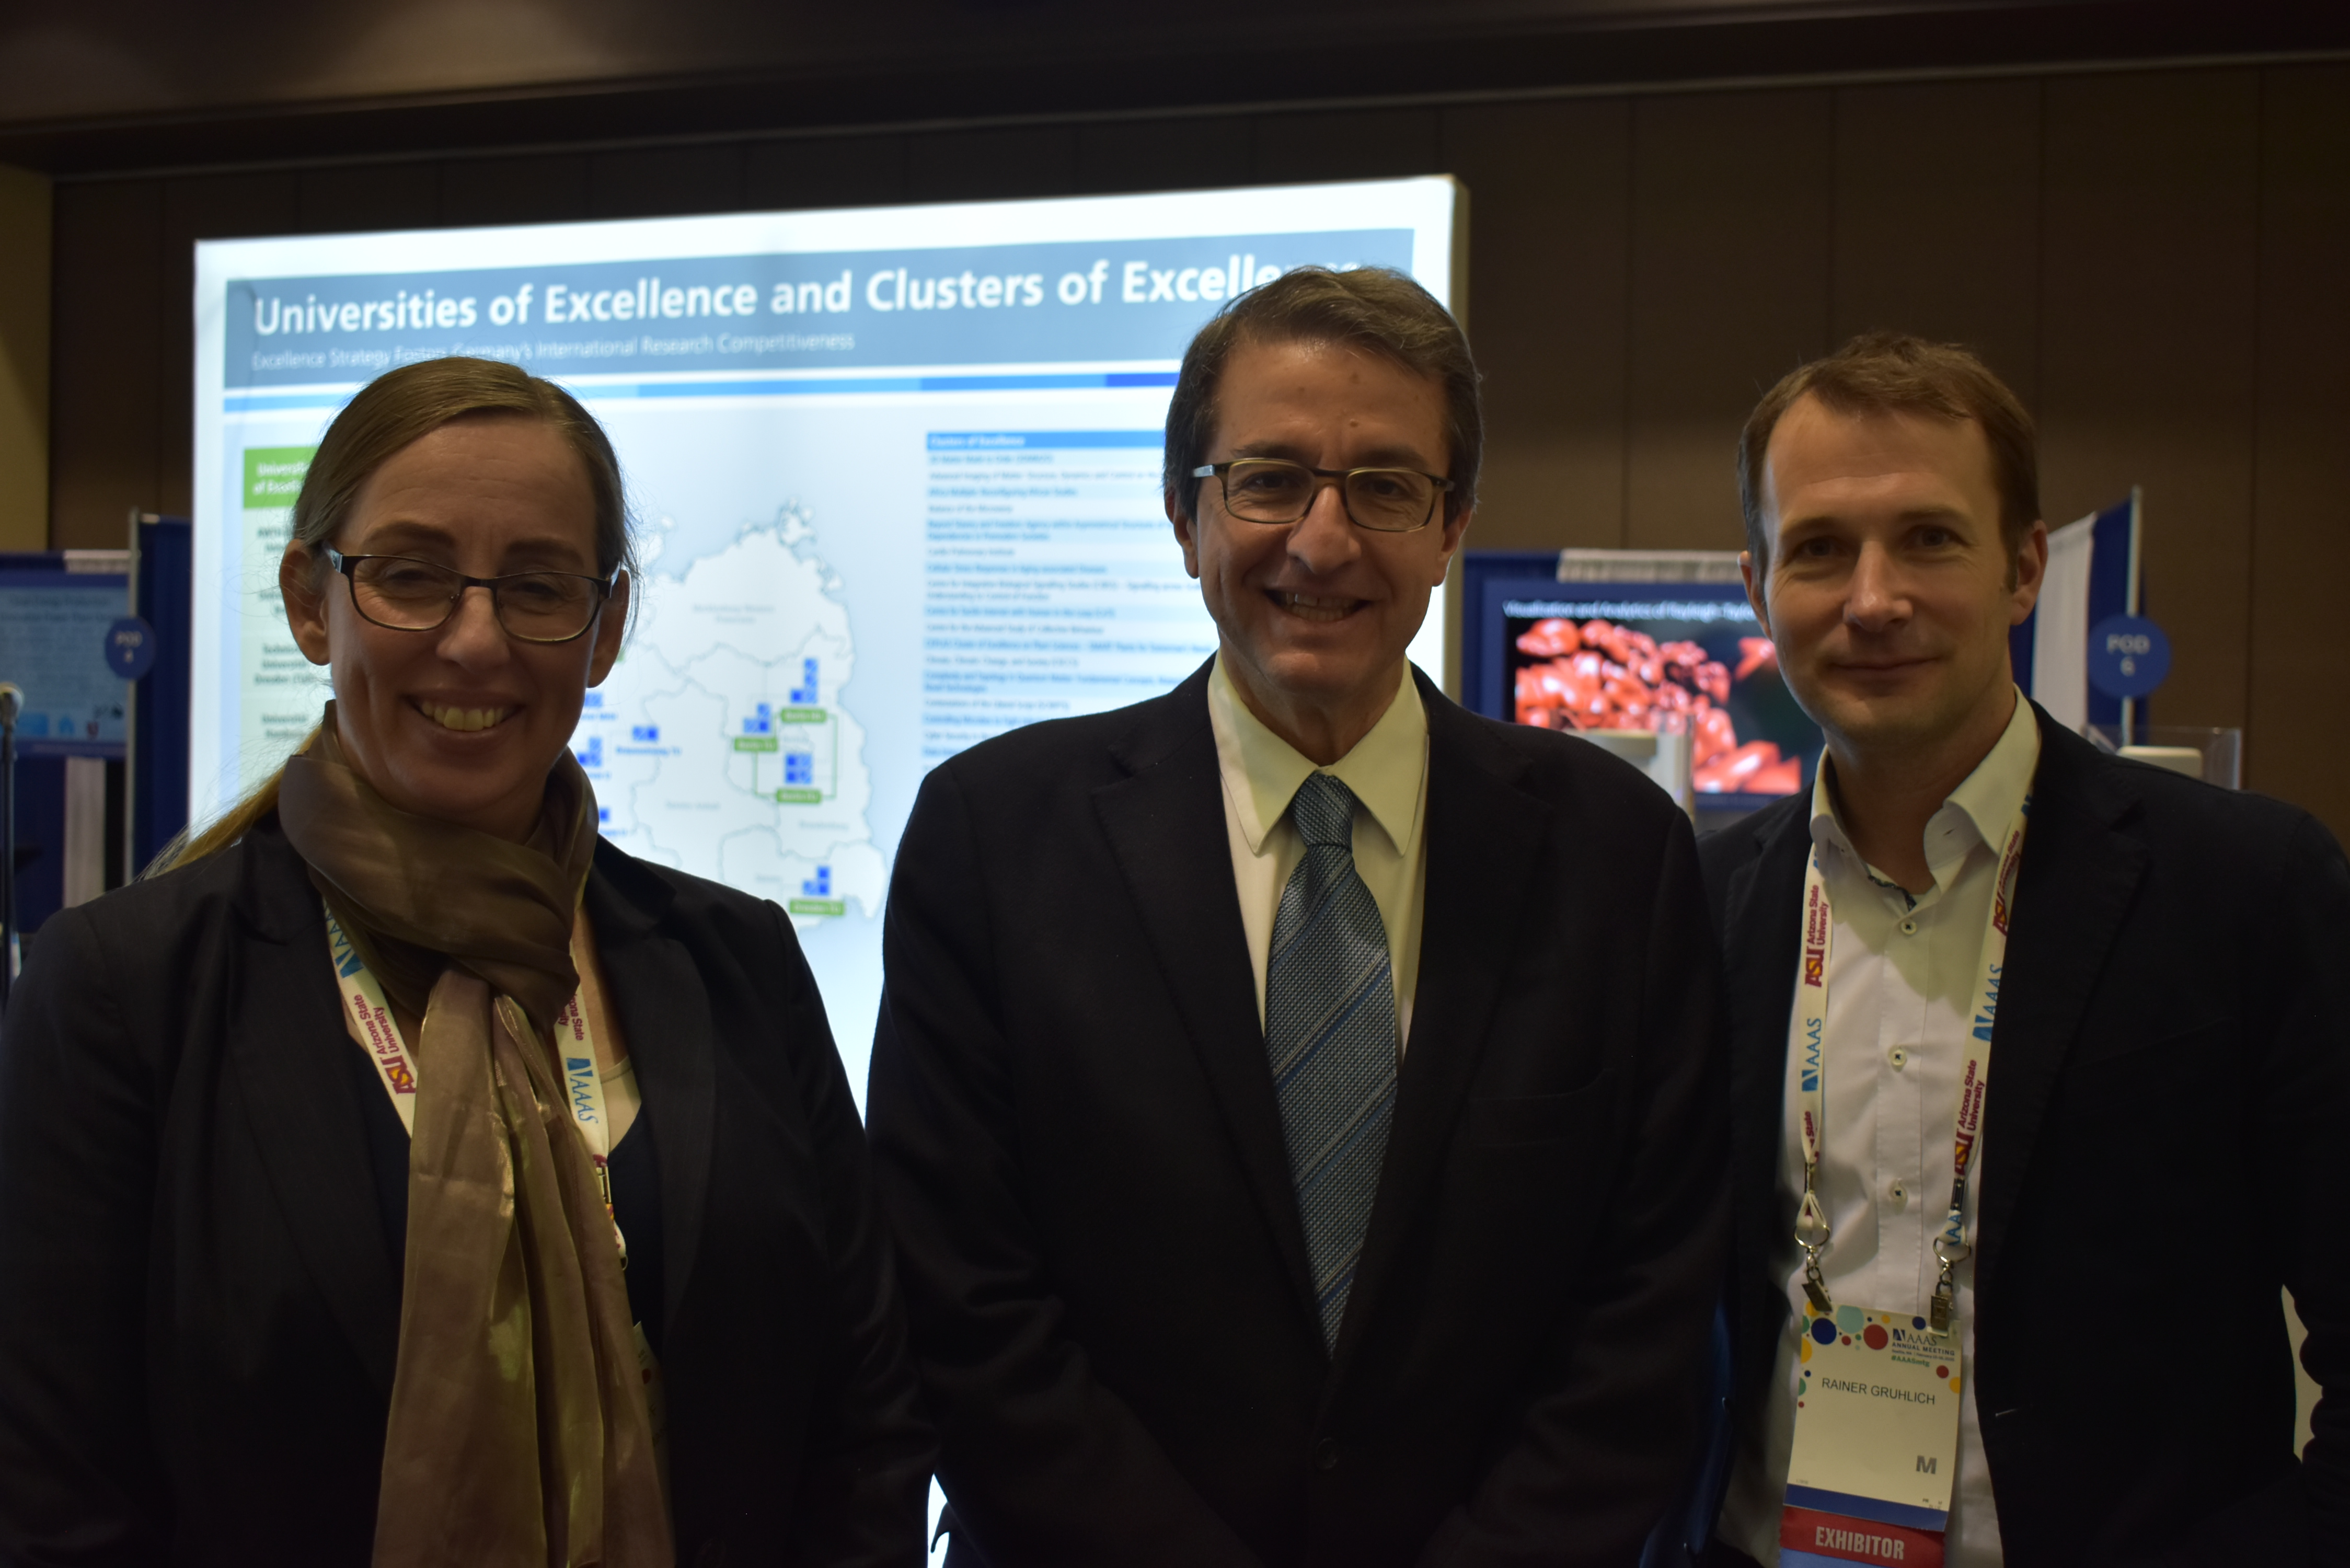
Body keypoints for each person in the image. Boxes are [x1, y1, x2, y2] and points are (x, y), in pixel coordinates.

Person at [0, 357, 933, 1566]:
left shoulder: (732, 961)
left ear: (603, 631)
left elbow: (860, 1417)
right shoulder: (127, 993)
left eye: (538, 587)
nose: (475, 641)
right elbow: (56, 1495)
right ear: (308, 602)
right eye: (412, 577)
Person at [866, 266, 1728, 1566]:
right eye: (1267, 479)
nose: (1321, 543)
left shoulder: (1619, 858)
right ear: (1182, 511)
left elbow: (1645, 1315)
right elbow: (966, 1304)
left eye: (1385, 487)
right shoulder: (994, 838)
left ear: (1453, 528)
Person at [1700, 332, 2350, 1566]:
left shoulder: (2246, 887)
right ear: (1756, 585)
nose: (1874, 597)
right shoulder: (1700, 904)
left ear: (2023, 568)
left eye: (1930, 538)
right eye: (1821, 548)